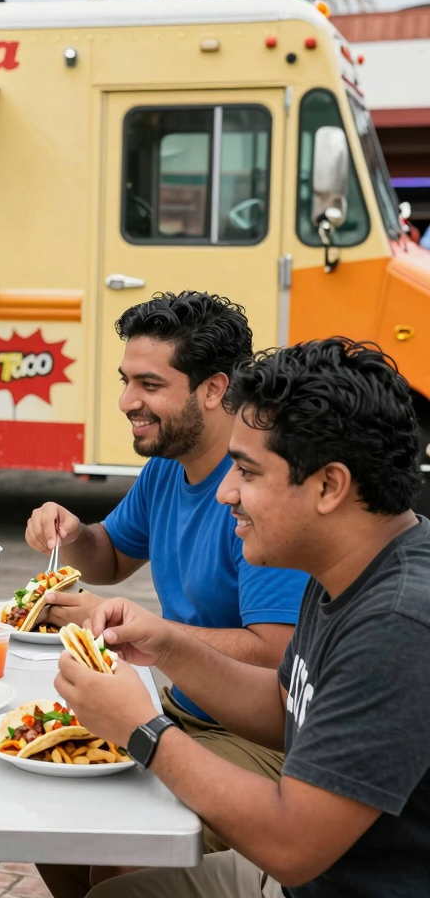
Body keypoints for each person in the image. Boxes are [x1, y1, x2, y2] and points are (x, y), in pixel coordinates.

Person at [56, 338, 430, 897]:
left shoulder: (398, 625)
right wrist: (166, 645)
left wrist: (143, 729)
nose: (225, 491)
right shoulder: (348, 560)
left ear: (329, 486)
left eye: (247, 472)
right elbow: (286, 706)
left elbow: (293, 847)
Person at [26, 292, 308, 893]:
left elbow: (275, 657)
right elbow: (110, 557)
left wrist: (148, 632)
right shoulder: (167, 465)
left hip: (258, 738)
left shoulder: (258, 492)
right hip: (180, 709)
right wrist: (73, 534)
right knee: (49, 815)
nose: (127, 401)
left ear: (214, 389)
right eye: (126, 380)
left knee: (124, 849)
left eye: (150, 384)